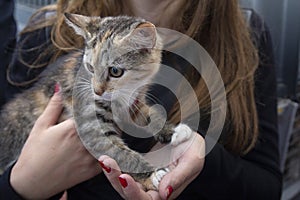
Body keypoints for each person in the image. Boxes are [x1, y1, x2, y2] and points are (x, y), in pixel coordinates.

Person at [0, 0, 282, 199]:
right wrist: (23, 185)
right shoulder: (45, 35)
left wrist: (201, 155)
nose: (97, 88)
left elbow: (267, 189)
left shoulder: (245, 35)